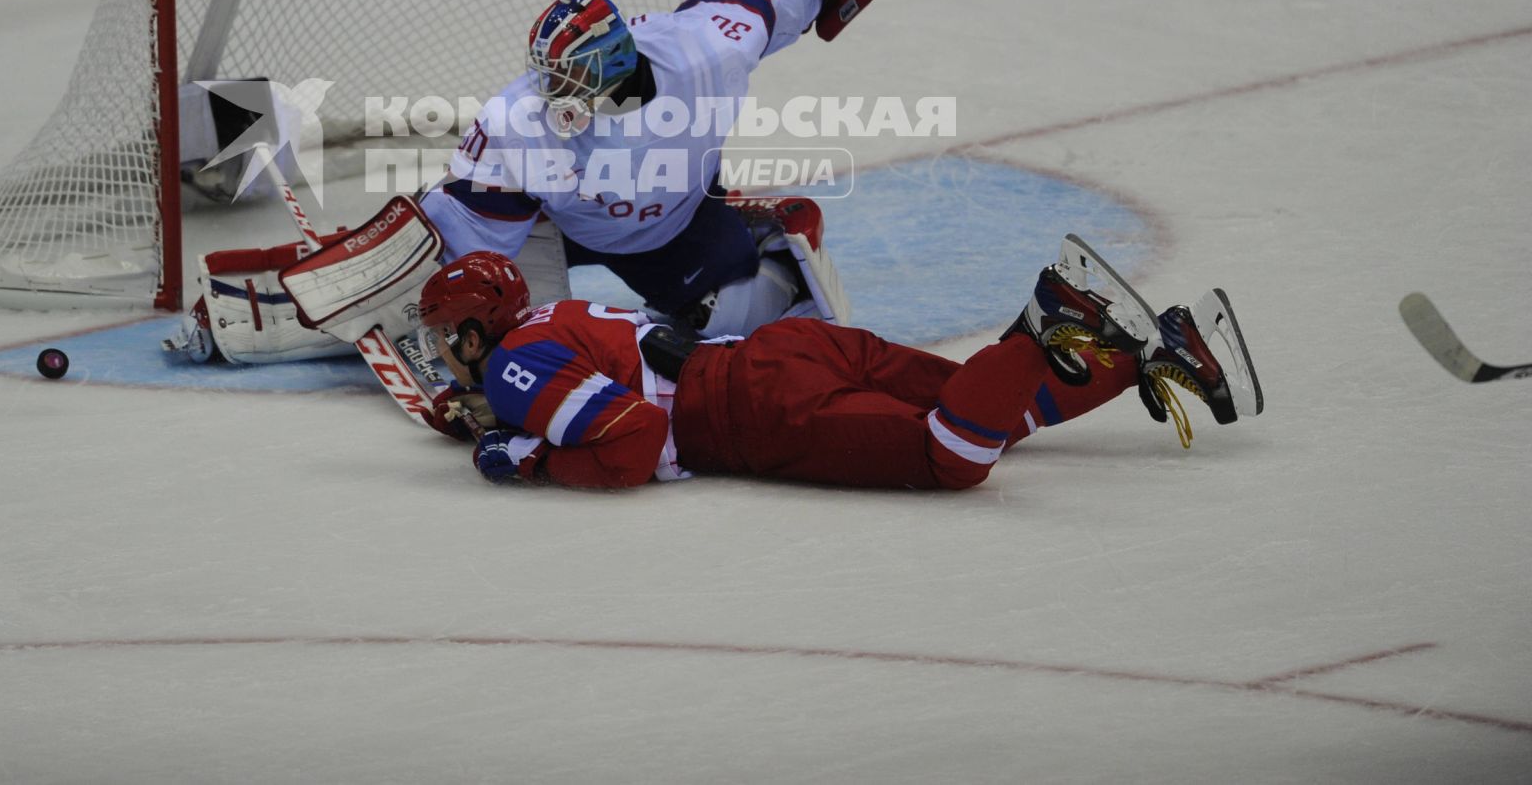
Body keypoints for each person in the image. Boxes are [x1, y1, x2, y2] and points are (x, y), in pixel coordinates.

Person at [417, 0, 908, 338]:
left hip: (674, 224)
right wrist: (459, 311)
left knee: (733, 327)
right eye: (549, 75)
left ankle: (742, 242)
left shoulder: (709, 52)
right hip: (549, 226)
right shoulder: (519, 118)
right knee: (500, 324)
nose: (553, 91)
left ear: (613, 61)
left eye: (570, 76)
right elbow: (474, 237)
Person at [411, 239, 1263, 490]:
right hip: (793, 345)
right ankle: (1157, 348)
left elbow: (632, 441)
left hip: (752, 409)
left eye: (447, 338)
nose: (441, 355)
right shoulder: (546, 322)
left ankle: (1043, 326)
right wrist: (483, 414)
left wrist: (531, 458)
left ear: (480, 335)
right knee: (992, 419)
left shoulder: (513, 367)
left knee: (953, 457)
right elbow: (583, 384)